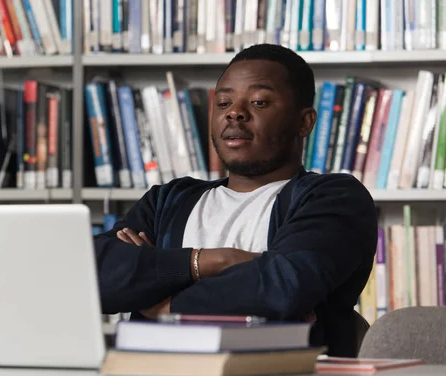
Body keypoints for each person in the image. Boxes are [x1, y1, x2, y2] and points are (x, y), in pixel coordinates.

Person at [93, 43, 378, 357]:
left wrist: (160, 301)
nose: (234, 112)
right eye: (224, 101)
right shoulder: (168, 200)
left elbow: (283, 287)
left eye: (258, 101)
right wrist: (214, 261)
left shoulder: (334, 197)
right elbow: (92, 275)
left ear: (305, 122)